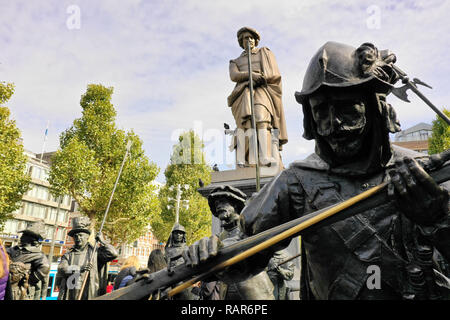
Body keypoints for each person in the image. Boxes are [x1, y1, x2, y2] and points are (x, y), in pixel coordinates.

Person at [184, 41, 450, 300]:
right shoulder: (296, 182)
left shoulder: (423, 174)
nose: (333, 125)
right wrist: (214, 256)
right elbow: (246, 246)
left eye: (347, 109)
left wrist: (437, 219)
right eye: (321, 112)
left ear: (374, 107)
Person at [228, 26, 288, 167]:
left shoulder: (264, 53)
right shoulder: (235, 62)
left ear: (255, 40)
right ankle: (249, 160)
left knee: (261, 119)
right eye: (244, 38)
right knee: (247, 124)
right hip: (243, 94)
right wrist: (251, 75)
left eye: (250, 37)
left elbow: (274, 73)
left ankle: (265, 155)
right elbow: (234, 76)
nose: (248, 40)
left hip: (262, 90)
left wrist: (259, 78)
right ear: (241, 42)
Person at [206, 185, 274, 300]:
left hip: (254, 292)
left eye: (223, 202)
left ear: (236, 204)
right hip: (227, 293)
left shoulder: (250, 228)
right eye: (216, 205)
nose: (219, 207)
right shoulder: (220, 237)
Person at [56, 216, 118, 300]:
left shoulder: (95, 253)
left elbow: (113, 254)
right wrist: (79, 269)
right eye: (75, 236)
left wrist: (102, 241)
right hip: (71, 294)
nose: (78, 238)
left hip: (90, 293)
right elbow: (61, 268)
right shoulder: (68, 255)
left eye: (80, 235)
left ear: (87, 236)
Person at [7, 220, 50, 300]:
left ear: (31, 238)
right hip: (8, 286)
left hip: (23, 292)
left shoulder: (37, 254)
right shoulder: (14, 249)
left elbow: (45, 267)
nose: (22, 236)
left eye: (25, 234)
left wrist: (29, 280)